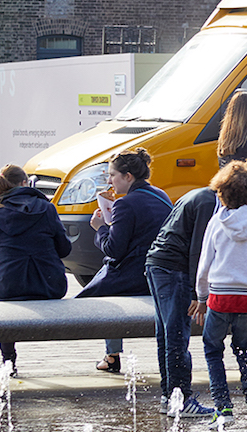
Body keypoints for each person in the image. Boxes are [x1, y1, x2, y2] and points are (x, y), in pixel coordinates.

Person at [196, 161, 247, 428]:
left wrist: (200, 297)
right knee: (244, 348)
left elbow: (204, 266)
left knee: (212, 350)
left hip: (219, 296)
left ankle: (223, 408)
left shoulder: (217, 222)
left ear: (222, 191)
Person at [79, 147, 173, 373]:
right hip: (160, 272)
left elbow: (113, 250)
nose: (109, 181)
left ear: (127, 176)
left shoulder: (125, 203)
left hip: (134, 275)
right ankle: (111, 356)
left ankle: (112, 356)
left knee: (95, 295)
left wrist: (100, 228)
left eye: (112, 175)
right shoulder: (161, 195)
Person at [0, 165, 70, 377]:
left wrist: (4, 265)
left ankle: (8, 360)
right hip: (50, 285)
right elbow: (64, 249)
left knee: (2, 295)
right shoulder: (47, 208)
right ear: (25, 183)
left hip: (9, 288)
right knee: (5, 286)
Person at [145, 187, 218, 417]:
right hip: (174, 268)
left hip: (157, 263)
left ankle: (169, 396)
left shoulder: (197, 194)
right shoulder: (209, 202)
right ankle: (182, 399)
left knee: (166, 335)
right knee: (177, 335)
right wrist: (200, 294)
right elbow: (199, 249)